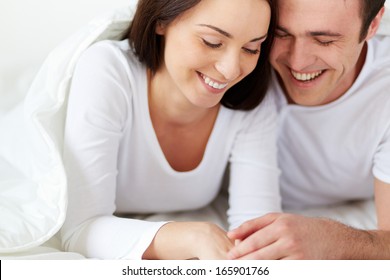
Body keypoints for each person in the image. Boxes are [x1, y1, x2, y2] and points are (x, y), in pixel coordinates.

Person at [60, 0, 281, 260]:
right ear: (161, 21)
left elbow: (257, 234)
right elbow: (79, 230)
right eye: (212, 41)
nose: (231, 70)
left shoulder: (251, 99)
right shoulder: (108, 70)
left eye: (251, 48)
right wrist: (193, 238)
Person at [227, 0, 390, 259]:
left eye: (324, 40)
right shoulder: (240, 56)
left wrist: (334, 241)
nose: (298, 62)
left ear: (373, 24)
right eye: (281, 34)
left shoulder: (384, 92)